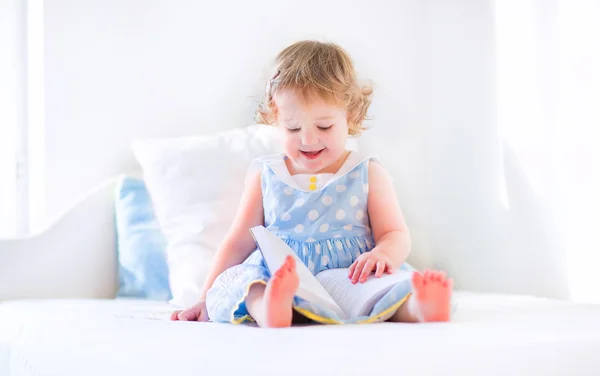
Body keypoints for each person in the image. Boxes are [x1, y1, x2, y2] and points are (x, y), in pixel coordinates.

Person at [171, 40, 452, 327]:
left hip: (349, 277)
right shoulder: (267, 174)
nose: (307, 140)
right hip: (282, 276)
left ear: (350, 116)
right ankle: (269, 306)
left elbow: (394, 232)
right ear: (275, 118)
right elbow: (237, 242)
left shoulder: (365, 172)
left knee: (384, 291)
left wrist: (382, 255)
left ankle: (419, 307)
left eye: (324, 127)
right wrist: (205, 296)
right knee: (244, 284)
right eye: (293, 128)